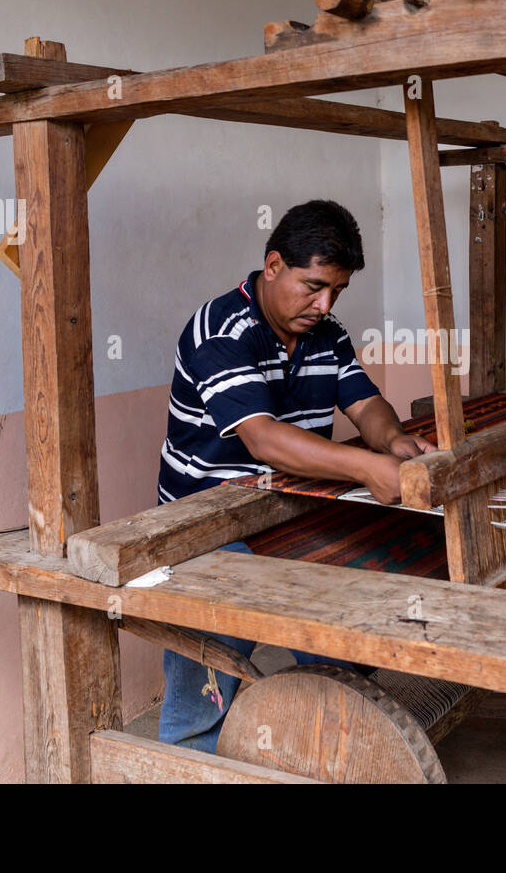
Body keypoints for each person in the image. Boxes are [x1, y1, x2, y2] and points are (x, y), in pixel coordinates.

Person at [156, 199, 435, 752]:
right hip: (206, 529)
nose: (324, 303)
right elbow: (263, 438)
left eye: (336, 291)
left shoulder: (325, 333)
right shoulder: (221, 330)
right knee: (206, 675)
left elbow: (365, 403)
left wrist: (394, 441)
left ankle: (330, 747)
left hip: (288, 514)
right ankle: (187, 758)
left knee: (342, 644)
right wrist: (367, 465)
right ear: (274, 263)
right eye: (313, 286)